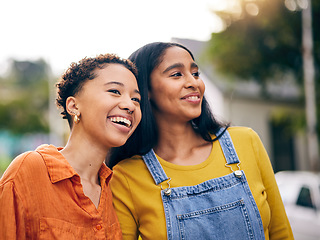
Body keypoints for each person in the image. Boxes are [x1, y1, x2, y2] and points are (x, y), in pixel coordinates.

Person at [108, 42, 294, 240]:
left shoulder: (246, 141)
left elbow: (281, 232)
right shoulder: (126, 177)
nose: (194, 83)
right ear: (145, 90)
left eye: (195, 73)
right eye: (177, 74)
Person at [0, 54, 142, 239]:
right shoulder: (29, 170)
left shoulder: (114, 189)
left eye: (136, 99)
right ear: (73, 106)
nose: (129, 105)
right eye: (115, 91)